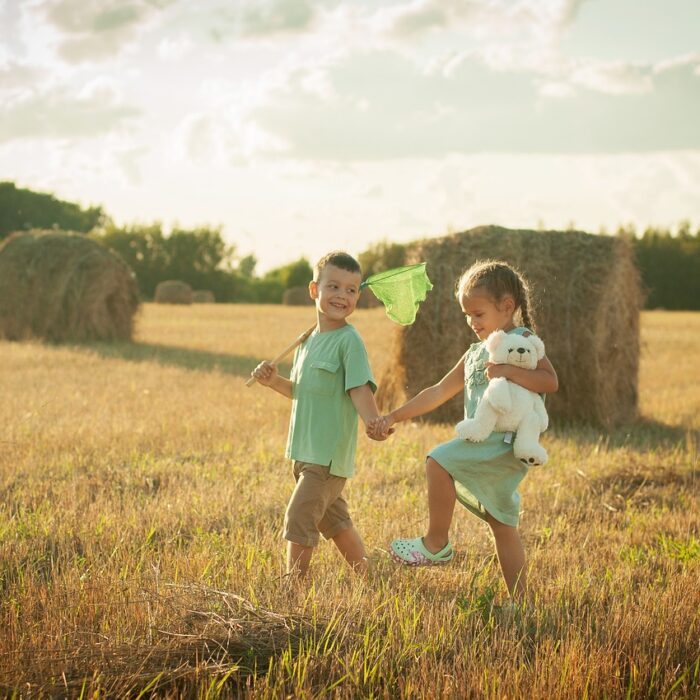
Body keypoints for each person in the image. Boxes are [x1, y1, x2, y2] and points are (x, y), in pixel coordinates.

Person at [368, 260, 558, 601]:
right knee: (503, 526)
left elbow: (549, 381)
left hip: (504, 443)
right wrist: (394, 415)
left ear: (506, 307)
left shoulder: (522, 340)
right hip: (486, 441)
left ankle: (435, 543)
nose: (472, 322)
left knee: (438, 461)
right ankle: (521, 603)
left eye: (478, 314)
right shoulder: (474, 354)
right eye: (467, 315)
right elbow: (438, 391)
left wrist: (506, 371)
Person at [251, 251, 387, 578]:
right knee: (334, 522)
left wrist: (373, 420)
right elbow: (301, 391)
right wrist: (273, 382)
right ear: (315, 290)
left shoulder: (349, 341)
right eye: (334, 287)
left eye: (351, 290)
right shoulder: (307, 340)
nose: (342, 295)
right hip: (303, 451)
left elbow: (359, 389)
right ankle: (367, 576)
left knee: (299, 517)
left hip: (326, 456)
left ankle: (293, 590)